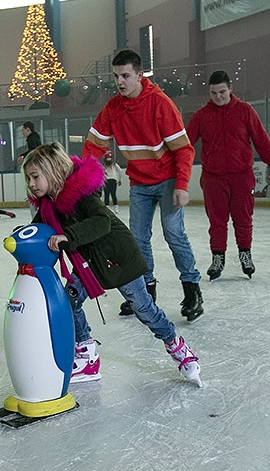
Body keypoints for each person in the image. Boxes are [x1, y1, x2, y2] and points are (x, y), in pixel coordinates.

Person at [22, 143, 202, 387]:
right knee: (70, 300)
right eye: (28, 178)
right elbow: (40, 229)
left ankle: (177, 346)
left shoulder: (82, 195)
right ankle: (87, 355)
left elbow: (101, 222)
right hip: (88, 264)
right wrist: (22, 238)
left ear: (53, 171)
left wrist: (69, 237)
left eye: (35, 177)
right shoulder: (48, 205)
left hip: (118, 259)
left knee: (144, 310)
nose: (31, 184)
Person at [82, 49, 203, 322]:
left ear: (139, 75)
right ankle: (145, 293)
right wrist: (81, 179)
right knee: (138, 239)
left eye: (125, 76)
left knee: (174, 233)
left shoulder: (160, 104)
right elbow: (93, 146)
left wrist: (181, 185)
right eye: (116, 77)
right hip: (139, 182)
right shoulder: (113, 108)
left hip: (168, 180)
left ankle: (192, 288)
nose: (120, 82)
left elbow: (184, 150)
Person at [186, 70, 270, 281]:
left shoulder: (245, 111)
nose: (218, 96)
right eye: (214, 93)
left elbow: (261, 140)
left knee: (243, 218)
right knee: (217, 221)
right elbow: (185, 144)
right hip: (213, 177)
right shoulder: (201, 116)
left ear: (230, 89)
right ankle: (217, 258)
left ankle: (245, 254)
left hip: (242, 175)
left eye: (222, 92)